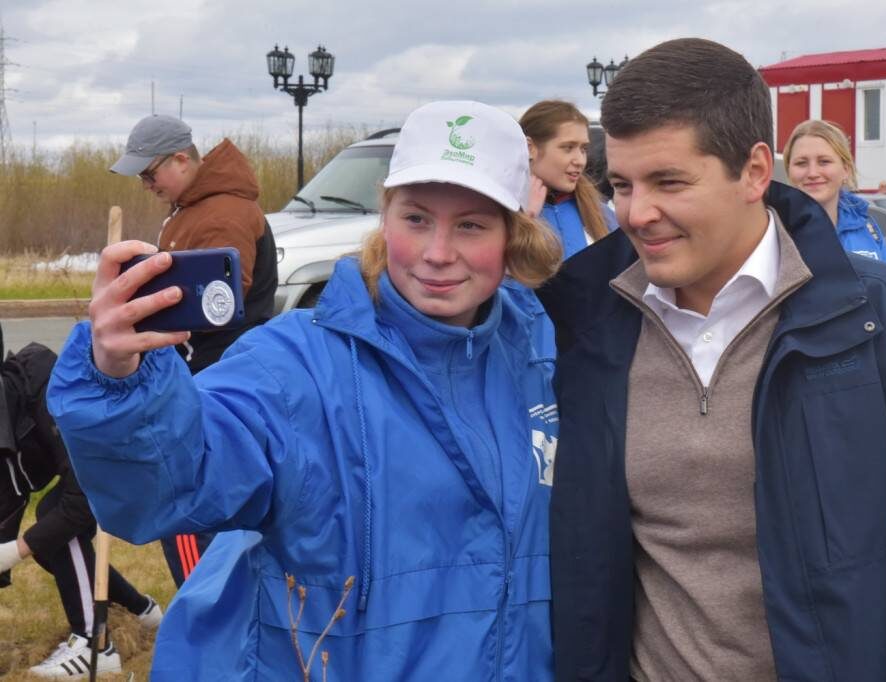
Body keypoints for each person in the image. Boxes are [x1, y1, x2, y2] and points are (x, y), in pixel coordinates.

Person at [536, 38, 886, 681]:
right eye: (621, 184)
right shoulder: (580, 323)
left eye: (669, 182)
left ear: (756, 172)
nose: (636, 213)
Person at [46, 100, 562, 680]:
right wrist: (118, 377)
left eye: (471, 224)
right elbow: (166, 486)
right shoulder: (293, 367)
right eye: (416, 218)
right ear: (384, 217)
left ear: (513, 234)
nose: (438, 253)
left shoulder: (547, 357)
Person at [109, 114, 279, 587]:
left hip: (217, 378)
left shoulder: (222, 214)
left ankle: (204, 617)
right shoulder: (193, 208)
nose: (146, 184)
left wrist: (145, 313)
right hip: (208, 374)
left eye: (150, 172)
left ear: (182, 159)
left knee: (186, 505)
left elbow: (219, 304)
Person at [0, 332, 162, 678]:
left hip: (144, 454)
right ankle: (142, 611)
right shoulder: (10, 401)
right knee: (48, 538)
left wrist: (16, 550)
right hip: (105, 466)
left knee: (55, 524)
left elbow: (82, 501)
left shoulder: (46, 390)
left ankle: (95, 643)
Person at [783, 119, 886, 264]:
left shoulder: (866, 227)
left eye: (824, 161)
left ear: (846, 170)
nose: (812, 173)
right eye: (801, 163)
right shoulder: (771, 232)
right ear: (789, 171)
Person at [520, 100, 615, 260]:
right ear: (530, 148)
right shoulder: (499, 212)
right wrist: (525, 221)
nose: (580, 160)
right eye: (568, 148)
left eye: (583, 149)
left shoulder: (603, 214)